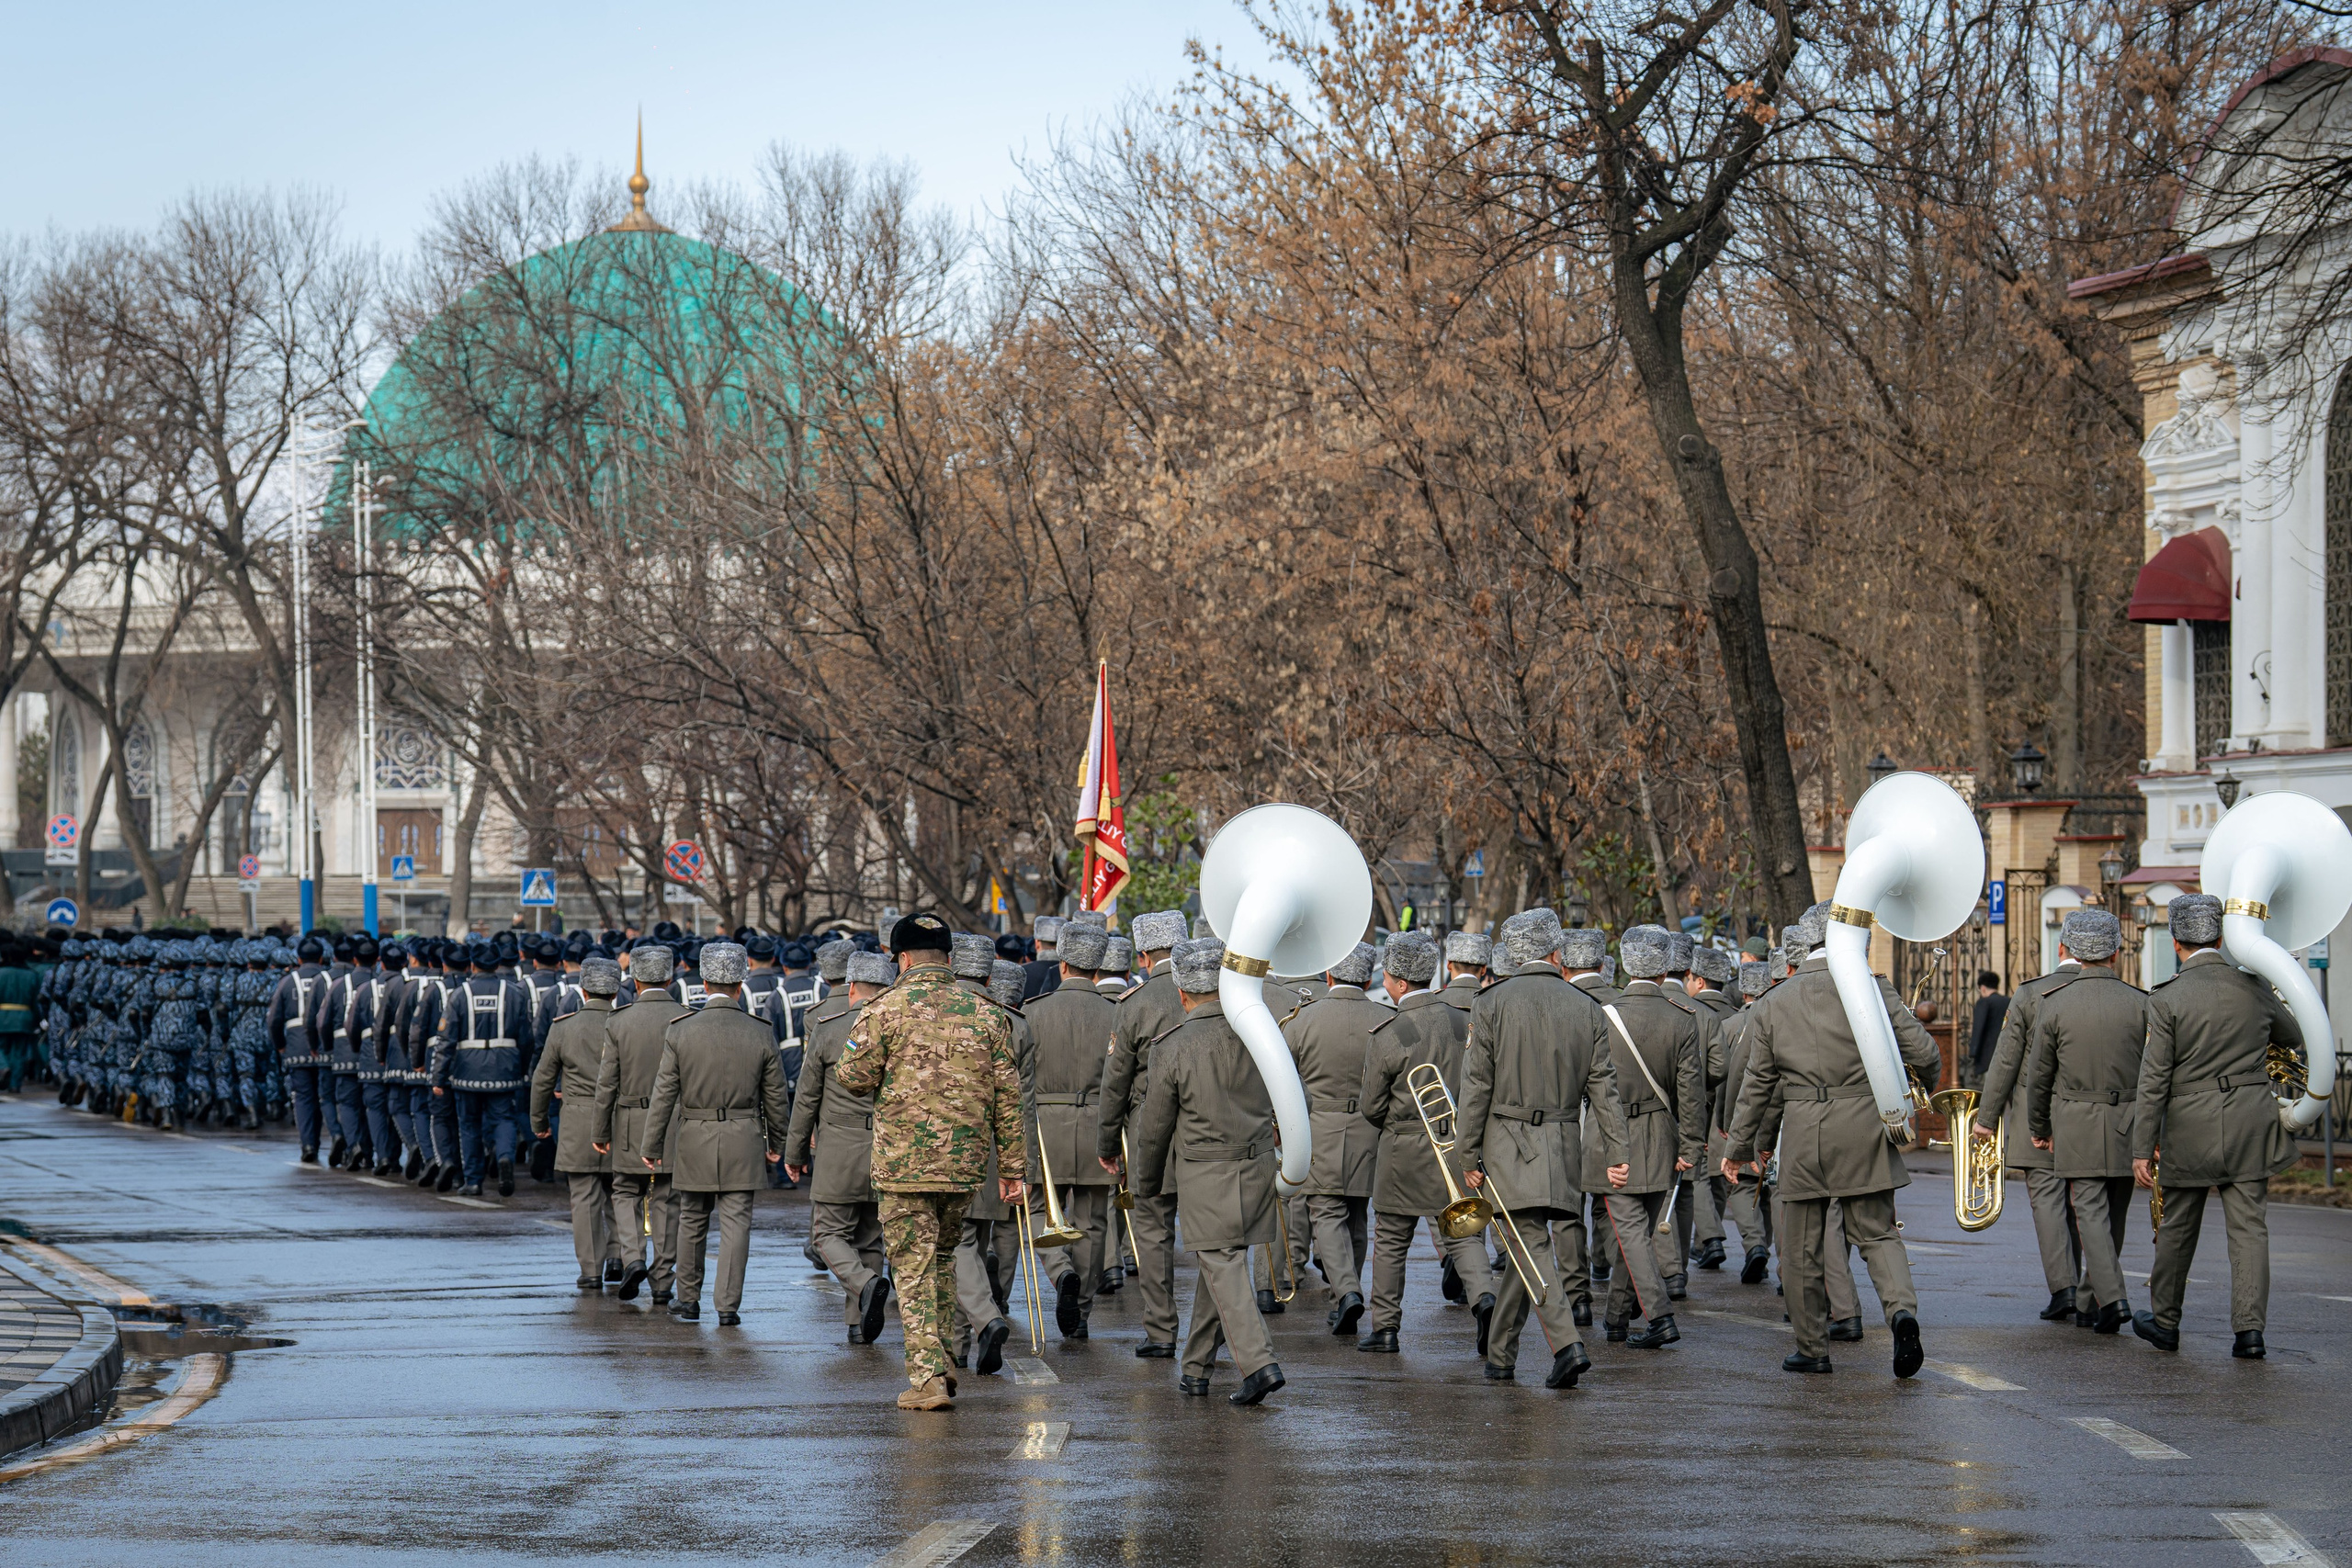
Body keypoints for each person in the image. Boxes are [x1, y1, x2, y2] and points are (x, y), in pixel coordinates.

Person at [1725, 902, 1940, 1378]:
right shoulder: (1873, 987)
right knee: (1878, 1234)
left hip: (1803, 1129)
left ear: (1801, 947)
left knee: (1802, 1247)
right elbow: (1924, 1052)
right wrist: (1918, 1087)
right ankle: (1902, 1315)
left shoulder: (1773, 1002)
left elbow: (1757, 1086)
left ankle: (1813, 1348)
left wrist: (1739, 1148)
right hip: (1864, 1121)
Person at [833, 912, 1028, 1412]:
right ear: (948, 957)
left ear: (901, 959)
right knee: (942, 1261)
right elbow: (1009, 1097)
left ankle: (927, 1380)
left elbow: (851, 1076)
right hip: (964, 1164)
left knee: (912, 1269)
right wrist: (1013, 1170)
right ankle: (942, 1363)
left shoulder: (884, 1009)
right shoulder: (986, 1012)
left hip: (904, 1166)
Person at [1455, 908, 1627, 1388]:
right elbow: (1604, 1089)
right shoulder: (1585, 1005)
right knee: (1523, 1245)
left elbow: (1476, 1089)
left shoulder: (1490, 1003)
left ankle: (1567, 1344)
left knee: (1527, 1243)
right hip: (1563, 1141)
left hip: (1507, 1143)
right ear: (1556, 953)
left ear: (1512, 953)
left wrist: (1465, 1156)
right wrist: (1618, 1151)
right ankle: (1500, 1354)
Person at [2131, 893, 2302, 1359]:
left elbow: (2154, 1080)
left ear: (2175, 941)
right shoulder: (2255, 987)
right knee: (2249, 1229)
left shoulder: (2166, 998)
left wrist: (2142, 1146)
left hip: (2190, 1126)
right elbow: (2294, 1036)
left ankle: (2165, 1322)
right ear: (2223, 938)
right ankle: (2250, 1333)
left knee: (2177, 1226)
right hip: (2251, 1118)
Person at [1130, 938, 1287, 1405]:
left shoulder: (1173, 1046)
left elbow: (1155, 1129)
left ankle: (1259, 1364)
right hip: (1257, 1166)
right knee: (1217, 1265)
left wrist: (1146, 1184)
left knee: (1220, 1262)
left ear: (1181, 993)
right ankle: (1195, 1367)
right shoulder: (1260, 1033)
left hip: (1205, 1174)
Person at [641, 942, 792, 1325]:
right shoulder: (760, 1032)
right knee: (736, 1222)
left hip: (695, 1134)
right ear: (740, 984)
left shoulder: (682, 1030)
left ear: (704, 983)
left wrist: (651, 1143)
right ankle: (727, 1306)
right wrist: (779, 1143)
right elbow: (775, 1097)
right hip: (744, 1134)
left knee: (692, 1218)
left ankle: (688, 1299)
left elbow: (664, 1093)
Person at [1356, 932, 1490, 1352]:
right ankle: (1485, 1300)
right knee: (1462, 1235)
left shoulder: (1389, 1031)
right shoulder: (1462, 1020)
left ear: (1395, 981)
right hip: (1456, 1144)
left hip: (1404, 1148)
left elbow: (1371, 1106)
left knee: (1392, 1238)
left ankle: (1386, 1329)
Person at [2022, 909, 2145, 1336]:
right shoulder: (2141, 1002)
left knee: (2088, 1210)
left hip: (2074, 1118)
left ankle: (2111, 1298)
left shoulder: (2053, 1005)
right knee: (2116, 1213)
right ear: (2115, 952)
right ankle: (2093, 1300)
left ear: (2071, 950)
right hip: (2130, 1118)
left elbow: (2040, 1077)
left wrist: (2039, 1126)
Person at [1596, 925, 1707, 1348]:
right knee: (1636, 1229)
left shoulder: (1603, 1013)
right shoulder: (1682, 1018)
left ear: (1625, 965)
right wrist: (1691, 1145)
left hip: (1612, 1133)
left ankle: (1659, 1316)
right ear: (1665, 969)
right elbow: (1690, 1094)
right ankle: (1617, 1319)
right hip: (1662, 1134)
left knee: (1628, 1229)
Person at [1973, 938, 2087, 1325]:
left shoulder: (2030, 993)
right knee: (2091, 1201)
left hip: (2032, 1113)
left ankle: (2064, 1288)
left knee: (2049, 1201)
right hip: (2095, 1114)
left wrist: (1987, 1117)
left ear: (2060, 949)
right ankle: (2098, 1291)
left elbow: (2006, 1060)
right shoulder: (2120, 994)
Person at [784, 949, 896, 1344]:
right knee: (870, 1237)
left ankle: (864, 1286)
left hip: (838, 1148)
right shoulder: (900, 1028)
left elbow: (807, 1099)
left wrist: (794, 1153)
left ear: (850, 988)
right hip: (888, 1146)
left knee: (828, 1234)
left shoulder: (829, 1030)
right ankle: (858, 1323)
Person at [1096, 908, 1190, 1359]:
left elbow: (1115, 1081)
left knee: (1152, 1231)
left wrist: (1108, 1144)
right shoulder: (1219, 992)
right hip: (1208, 1129)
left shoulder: (1134, 1004)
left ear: (1145, 954)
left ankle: (1161, 1330)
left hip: (1147, 1129)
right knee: (1215, 1239)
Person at [1022, 920, 1118, 1339]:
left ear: (1062, 966)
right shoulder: (1118, 1012)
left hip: (1047, 1128)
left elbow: (1021, 1084)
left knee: (1043, 1211)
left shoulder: (1033, 1011)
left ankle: (1061, 1272)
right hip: (1099, 1124)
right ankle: (1080, 1310)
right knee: (1095, 1221)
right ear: (1097, 969)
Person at [593, 942, 688, 1304]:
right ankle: (663, 1278)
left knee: (626, 1190)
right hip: (675, 1121)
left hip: (630, 1119)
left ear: (633, 980)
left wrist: (600, 1130)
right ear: (671, 976)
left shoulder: (619, 1021)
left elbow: (607, 1083)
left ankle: (633, 1256)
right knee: (667, 1196)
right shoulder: (686, 1016)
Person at [533, 955, 622, 1290]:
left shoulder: (563, 1026)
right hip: (620, 1118)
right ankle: (619, 1255)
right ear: (616, 991)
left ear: (582, 989)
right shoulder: (625, 1022)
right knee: (622, 1191)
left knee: (583, 1197)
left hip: (577, 1119)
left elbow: (543, 1080)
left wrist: (539, 1122)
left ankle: (591, 1269)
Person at [430, 943, 536, 1199]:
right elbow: (526, 1038)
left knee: (469, 1126)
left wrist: (439, 1077)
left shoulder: (459, 994)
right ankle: (505, 1158)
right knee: (504, 1119)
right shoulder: (514, 993)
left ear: (472, 965)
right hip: (504, 1069)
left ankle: (474, 1181)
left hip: (467, 1071)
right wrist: (520, 1069)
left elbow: (446, 1040)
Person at [1686, 944, 1740, 1271]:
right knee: (1720, 1176)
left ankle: (1710, 1237)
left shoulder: (1691, 1012)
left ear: (1701, 981)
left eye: (1691, 977)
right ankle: (1704, 1241)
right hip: (1732, 1107)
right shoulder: (1736, 1015)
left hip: (1703, 1102)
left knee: (1698, 1174)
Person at [267, 936, 334, 1162]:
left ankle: (308, 1145)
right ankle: (336, 1139)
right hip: (326, 1045)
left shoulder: (287, 981)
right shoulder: (328, 979)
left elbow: (274, 1019)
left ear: (297, 959)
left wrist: (280, 1045)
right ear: (322, 958)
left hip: (297, 1046)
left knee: (304, 1098)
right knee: (327, 1096)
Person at [1968, 972, 2008, 1089]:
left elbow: (1978, 1029)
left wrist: (1973, 1053)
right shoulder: (2009, 1001)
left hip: (1988, 1055)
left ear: (1983, 988)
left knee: (1991, 1091)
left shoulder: (1984, 1003)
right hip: (2007, 1052)